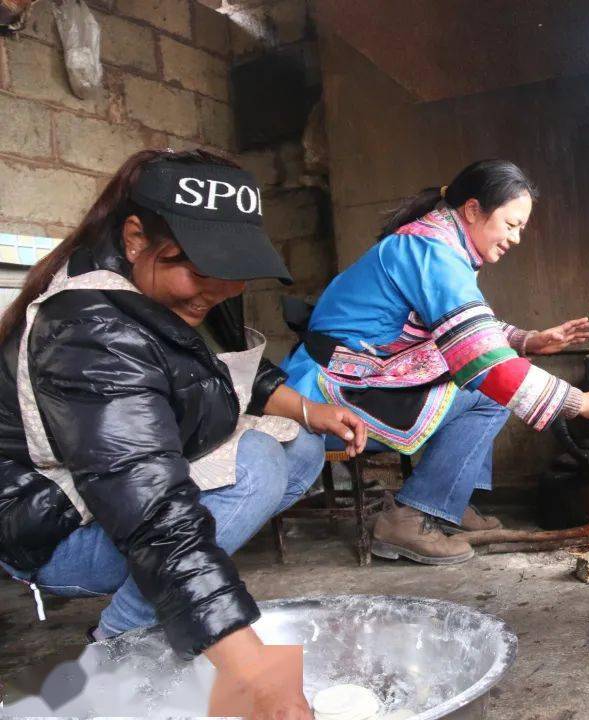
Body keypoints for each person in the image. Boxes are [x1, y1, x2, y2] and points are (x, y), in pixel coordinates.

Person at [0, 149, 367, 716]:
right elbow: (153, 514)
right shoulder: (89, 330)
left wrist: (309, 410)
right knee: (257, 463)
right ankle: (115, 646)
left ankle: (175, 607)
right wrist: (259, 676)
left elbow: (221, 367)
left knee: (301, 444)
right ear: (134, 239)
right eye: (196, 272)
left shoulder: (181, 287)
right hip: (54, 532)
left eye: (231, 275)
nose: (213, 291)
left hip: (119, 494)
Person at [283, 159, 589, 563]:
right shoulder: (432, 252)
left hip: (365, 375)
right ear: (472, 210)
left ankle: (448, 499)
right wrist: (581, 401)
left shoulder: (439, 242)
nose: (516, 238)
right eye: (511, 224)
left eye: (520, 228)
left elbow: (464, 325)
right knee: (486, 391)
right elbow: (483, 359)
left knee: (479, 378)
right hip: (332, 390)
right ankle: (413, 516)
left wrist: (528, 340)